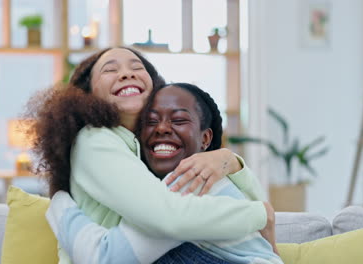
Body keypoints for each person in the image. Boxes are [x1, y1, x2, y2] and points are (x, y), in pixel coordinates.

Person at [26, 47, 276, 263]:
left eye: (137, 67)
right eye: (109, 70)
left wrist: (230, 161)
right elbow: (167, 217)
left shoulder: (146, 153)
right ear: (87, 96)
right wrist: (260, 214)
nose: (127, 73)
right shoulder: (96, 139)